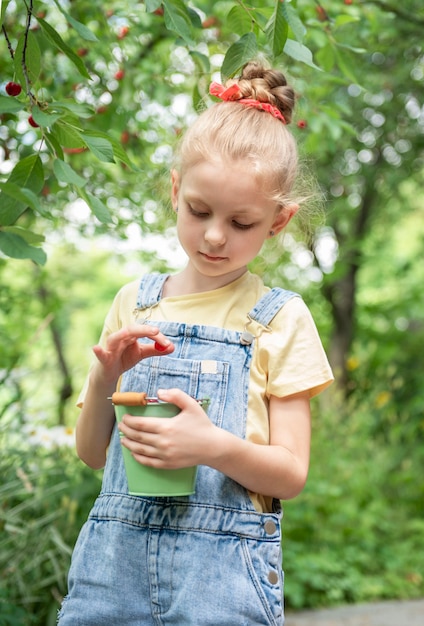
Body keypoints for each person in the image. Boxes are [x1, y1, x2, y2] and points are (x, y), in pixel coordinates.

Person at [58, 61, 334, 626]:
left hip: (223, 584)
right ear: (177, 191)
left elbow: (290, 473)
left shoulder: (279, 318)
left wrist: (211, 446)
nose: (213, 236)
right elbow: (92, 455)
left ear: (278, 222)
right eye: (199, 211)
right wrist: (103, 378)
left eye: (242, 223)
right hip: (110, 577)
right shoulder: (134, 303)